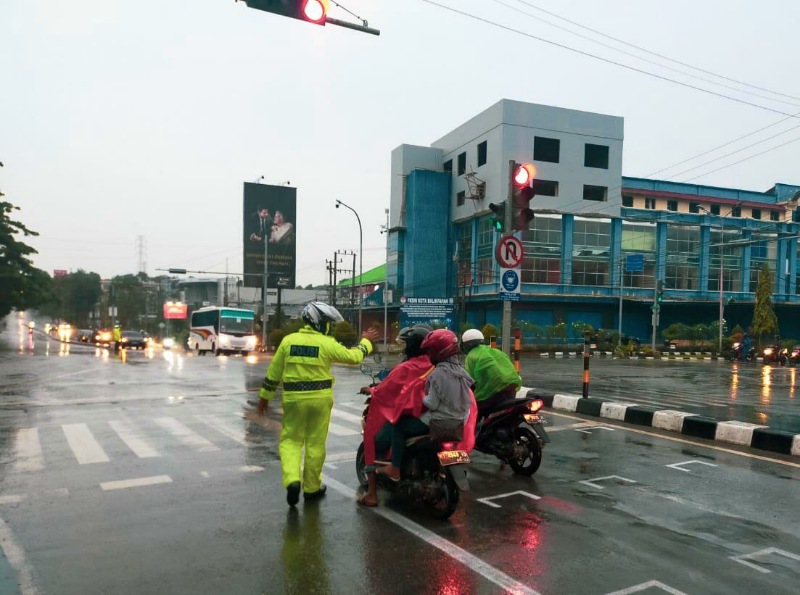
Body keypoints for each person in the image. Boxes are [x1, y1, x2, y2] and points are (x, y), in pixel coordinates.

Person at [258, 301, 378, 506]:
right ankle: (312, 489)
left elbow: (273, 373)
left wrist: (264, 398)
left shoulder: (288, 341)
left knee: (291, 441)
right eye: (327, 322)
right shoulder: (326, 343)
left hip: (294, 401)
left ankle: (293, 481)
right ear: (318, 322)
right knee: (315, 444)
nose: (329, 326)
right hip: (321, 401)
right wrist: (366, 341)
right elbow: (354, 357)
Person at [377, 329, 475, 482]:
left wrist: (422, 398)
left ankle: (395, 468)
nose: (429, 354)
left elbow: (431, 402)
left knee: (398, 426)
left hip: (438, 420)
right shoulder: (460, 371)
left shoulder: (435, 373)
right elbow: (471, 388)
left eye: (431, 350)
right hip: (461, 420)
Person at [356, 325, 434, 507]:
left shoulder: (405, 368)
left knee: (374, 443)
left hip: (413, 418)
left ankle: (373, 494)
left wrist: (371, 390)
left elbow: (384, 391)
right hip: (433, 418)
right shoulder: (435, 365)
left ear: (412, 346)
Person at [460, 329, 521, 415]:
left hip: (491, 396)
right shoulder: (496, 351)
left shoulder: (471, 356)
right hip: (511, 391)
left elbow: (469, 380)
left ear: (465, 344)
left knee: (472, 415)